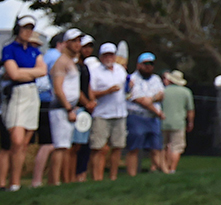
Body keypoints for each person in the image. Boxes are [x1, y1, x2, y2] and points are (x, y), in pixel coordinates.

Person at [0, 16, 47, 192]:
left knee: (24, 142)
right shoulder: (9, 49)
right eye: (25, 28)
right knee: (16, 140)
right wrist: (29, 73)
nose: (28, 32)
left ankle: (15, 183)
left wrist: (23, 72)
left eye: (30, 28)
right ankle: (7, 181)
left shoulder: (33, 51)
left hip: (32, 93)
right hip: (17, 94)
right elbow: (13, 74)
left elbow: (42, 70)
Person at [37, 29, 84, 187]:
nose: (78, 44)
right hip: (61, 109)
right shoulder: (61, 62)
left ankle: (58, 181)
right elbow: (58, 88)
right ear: (66, 43)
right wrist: (68, 108)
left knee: (65, 146)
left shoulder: (71, 61)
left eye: (79, 41)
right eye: (74, 41)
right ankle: (54, 181)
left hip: (69, 107)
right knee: (60, 146)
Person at [85, 42, 128, 181]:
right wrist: (106, 91)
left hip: (120, 112)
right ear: (101, 57)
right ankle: (97, 177)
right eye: (106, 55)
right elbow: (91, 93)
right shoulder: (95, 72)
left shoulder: (120, 70)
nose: (108, 58)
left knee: (117, 146)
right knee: (98, 148)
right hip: (102, 113)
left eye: (111, 55)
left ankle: (113, 176)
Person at [126, 52, 166, 175]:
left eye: (151, 64)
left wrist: (151, 99)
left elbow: (161, 95)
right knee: (134, 148)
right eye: (145, 64)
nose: (148, 66)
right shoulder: (132, 79)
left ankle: (163, 172)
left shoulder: (156, 79)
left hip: (152, 119)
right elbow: (139, 100)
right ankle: (132, 175)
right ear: (139, 65)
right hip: (137, 116)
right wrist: (158, 112)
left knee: (156, 147)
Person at [158, 69, 195, 172]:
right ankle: (172, 168)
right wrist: (190, 122)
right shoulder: (186, 92)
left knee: (163, 146)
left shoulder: (163, 91)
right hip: (178, 123)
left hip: (163, 122)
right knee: (177, 147)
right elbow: (190, 110)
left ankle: (164, 167)